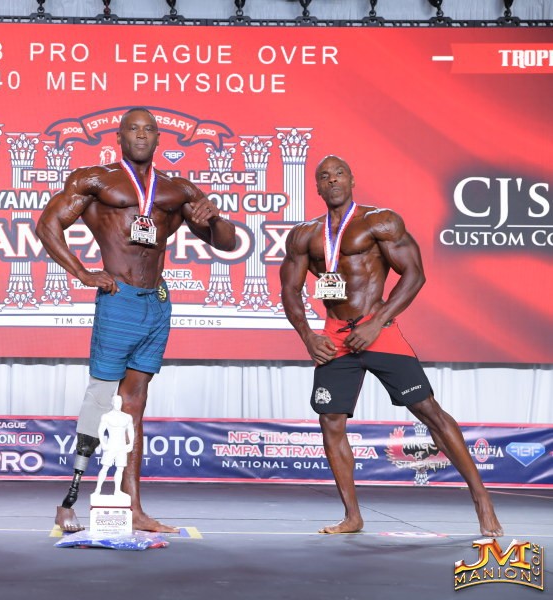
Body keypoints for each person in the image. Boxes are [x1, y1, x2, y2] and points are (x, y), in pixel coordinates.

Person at [279, 154, 503, 537]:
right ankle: (352, 516)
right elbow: (290, 290)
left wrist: (377, 322)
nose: (332, 180)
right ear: (316, 186)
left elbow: (415, 274)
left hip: (377, 328)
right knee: (330, 421)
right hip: (335, 335)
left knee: (428, 410)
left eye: (339, 174)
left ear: (352, 180)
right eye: (325, 176)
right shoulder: (304, 234)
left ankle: (482, 499)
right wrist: (308, 336)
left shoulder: (379, 221)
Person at [37, 107, 237, 533]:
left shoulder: (177, 190)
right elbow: (48, 224)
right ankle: (69, 499)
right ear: (120, 137)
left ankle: (133, 508)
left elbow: (227, 242)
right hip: (119, 298)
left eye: (149, 130)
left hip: (156, 303)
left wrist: (215, 217)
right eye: (134, 129)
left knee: (136, 405)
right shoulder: (96, 180)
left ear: (159, 138)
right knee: (99, 397)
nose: (142, 135)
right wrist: (82, 272)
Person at [92, 394, 134, 500]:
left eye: (120, 402)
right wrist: (103, 443)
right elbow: (100, 430)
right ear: (112, 403)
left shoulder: (127, 417)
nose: (118, 404)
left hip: (122, 447)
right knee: (105, 468)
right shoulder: (107, 416)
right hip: (111, 446)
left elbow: (131, 431)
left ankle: (117, 490)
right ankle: (98, 489)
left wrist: (131, 443)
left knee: (120, 469)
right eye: (116, 402)